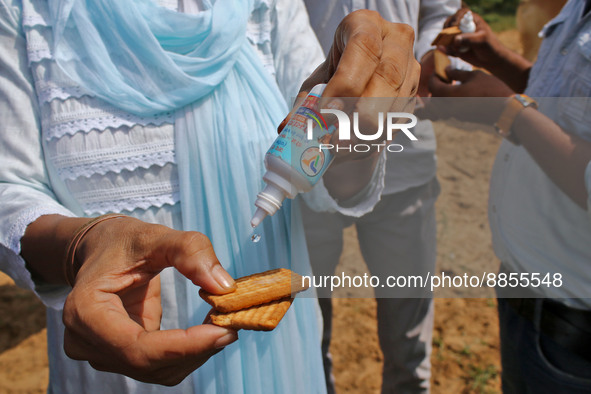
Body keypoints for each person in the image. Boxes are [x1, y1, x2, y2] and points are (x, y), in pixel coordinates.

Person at [0, 0, 420, 393]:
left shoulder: (266, 6)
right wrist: (82, 244)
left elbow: (328, 169)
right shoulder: (25, 11)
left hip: (277, 358)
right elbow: (9, 188)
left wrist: (363, 124)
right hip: (113, 372)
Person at [427, 3, 591, 392]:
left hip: (571, 334)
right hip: (530, 301)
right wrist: (500, 61)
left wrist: (508, 111)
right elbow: (565, 97)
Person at [300, 1, 460, 393]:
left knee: (407, 330)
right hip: (308, 153)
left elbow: (442, 11)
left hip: (404, 150)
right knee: (307, 321)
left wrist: (422, 59)